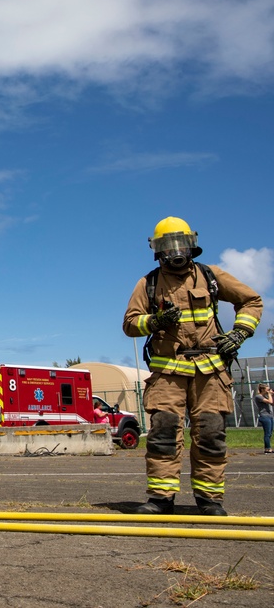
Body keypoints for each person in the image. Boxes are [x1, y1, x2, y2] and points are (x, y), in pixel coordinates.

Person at [123, 217, 263, 516]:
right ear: (157, 250)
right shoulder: (148, 284)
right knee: (162, 434)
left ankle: (209, 500)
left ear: (192, 245)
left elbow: (251, 301)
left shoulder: (210, 276)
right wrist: (156, 321)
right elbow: (130, 324)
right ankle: (161, 499)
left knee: (211, 434)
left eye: (181, 244)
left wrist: (239, 333)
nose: (176, 251)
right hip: (167, 373)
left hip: (210, 372)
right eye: (168, 245)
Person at [254, 385, 273, 454]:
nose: (269, 390)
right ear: (262, 389)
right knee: (267, 433)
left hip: (270, 416)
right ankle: (268, 448)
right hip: (264, 416)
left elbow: (272, 403)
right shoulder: (258, 396)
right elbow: (270, 402)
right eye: (267, 389)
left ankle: (268, 448)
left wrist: (271, 395)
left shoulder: (265, 396)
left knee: (270, 433)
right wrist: (269, 394)